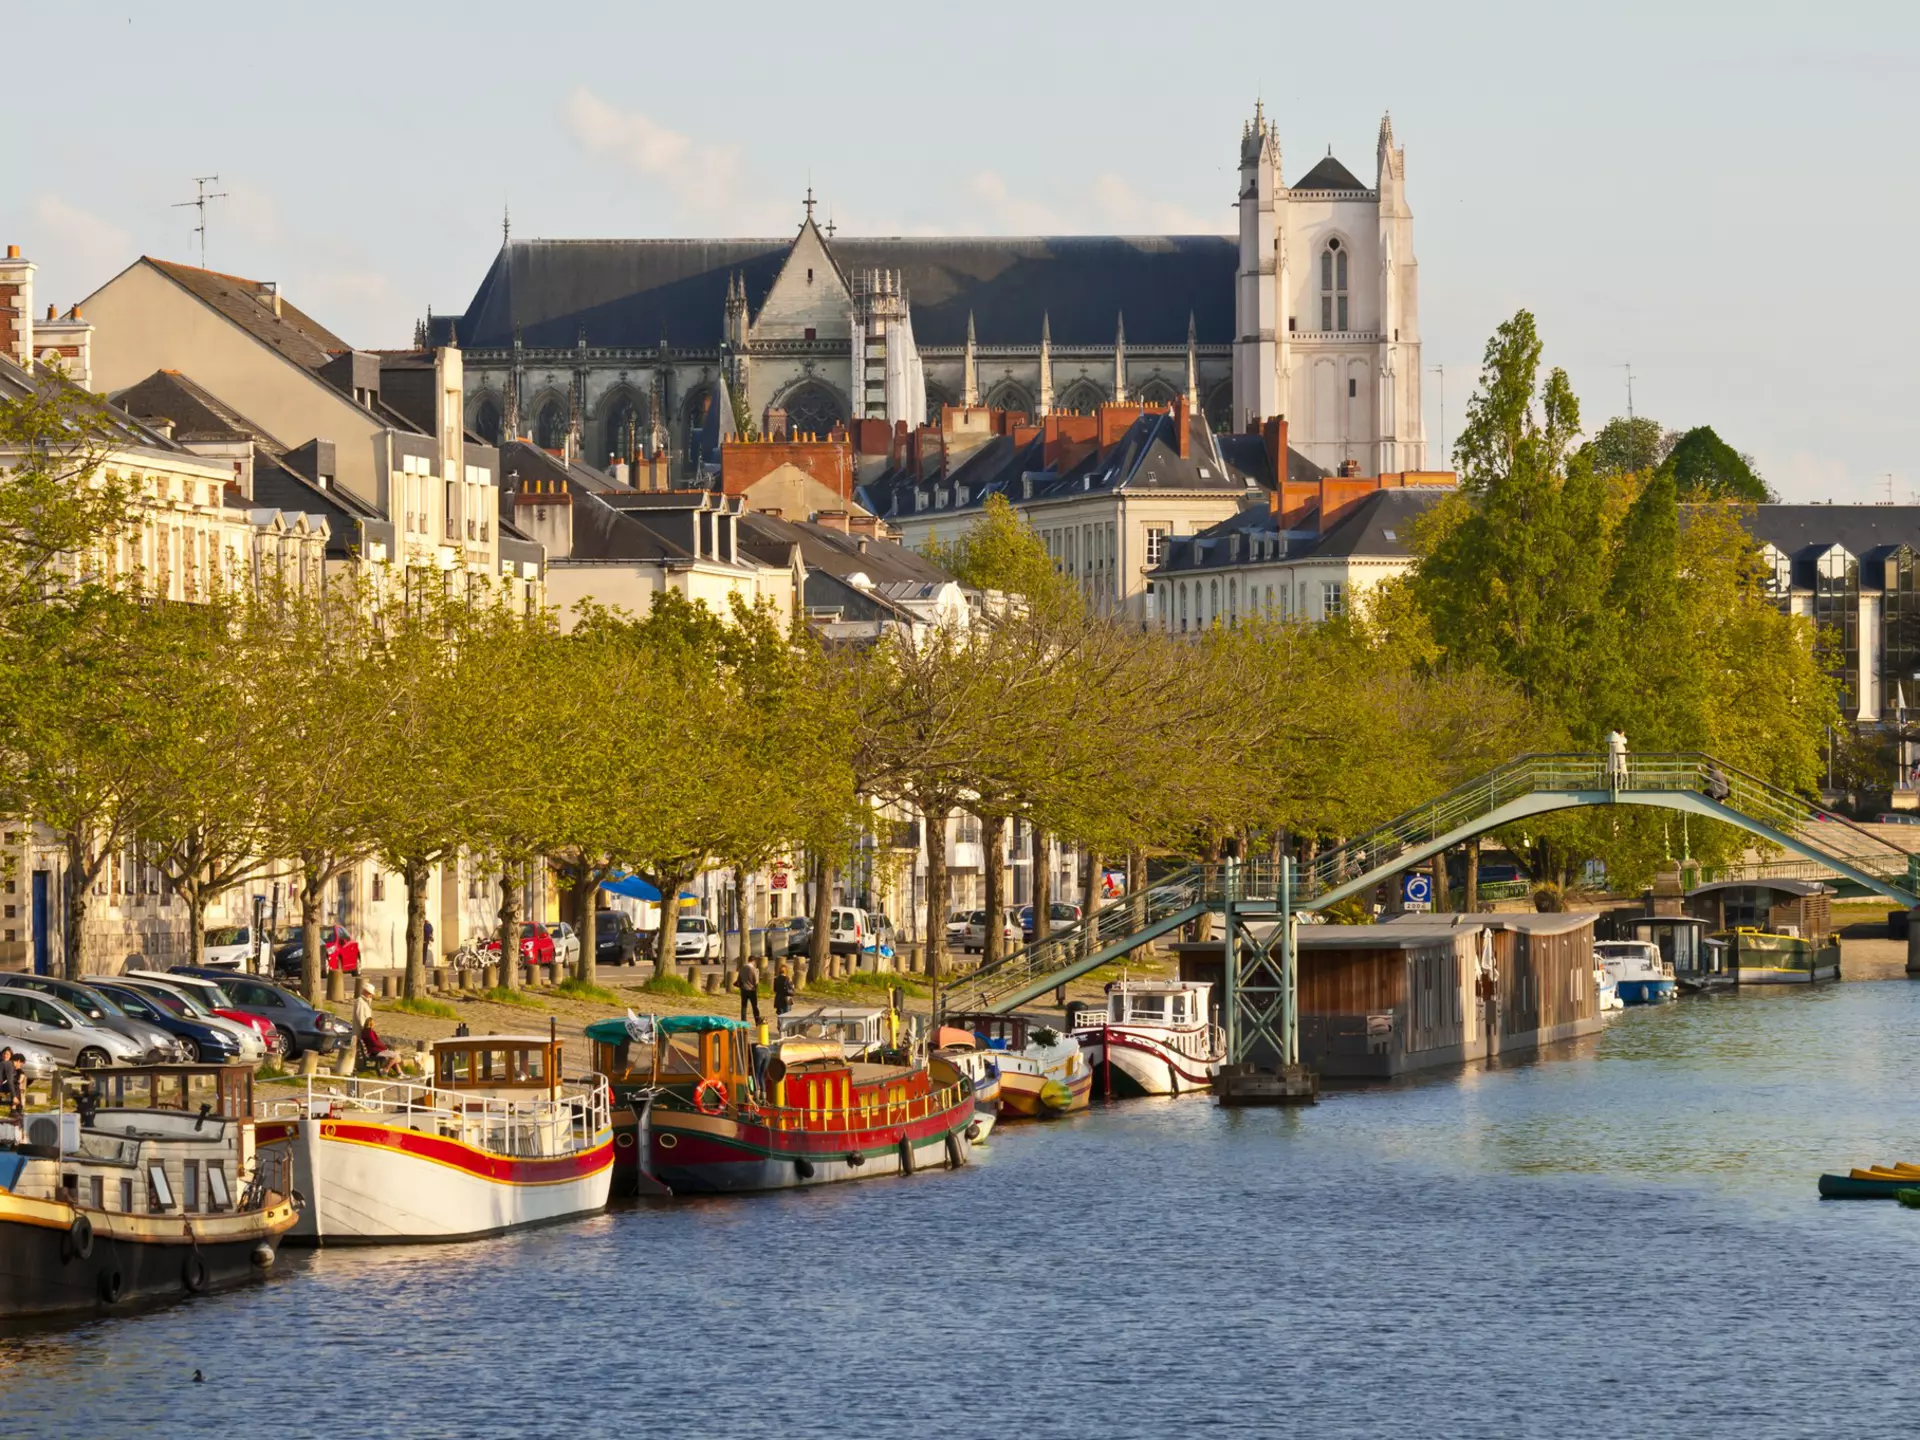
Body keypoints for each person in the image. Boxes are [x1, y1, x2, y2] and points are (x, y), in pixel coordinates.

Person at [736, 957, 762, 1025]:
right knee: (754, 1006)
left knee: (744, 1007)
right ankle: (757, 1021)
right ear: (753, 961)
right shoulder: (753, 969)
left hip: (743, 990)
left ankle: (743, 1022)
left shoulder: (742, 968)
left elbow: (738, 980)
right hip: (751, 990)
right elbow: (756, 982)